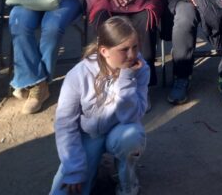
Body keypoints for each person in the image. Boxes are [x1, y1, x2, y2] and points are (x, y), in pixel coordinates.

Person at [50, 16, 149, 195]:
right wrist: (74, 169)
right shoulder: (79, 75)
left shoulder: (140, 68)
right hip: (89, 136)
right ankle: (96, 169)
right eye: (124, 49)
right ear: (104, 51)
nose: (132, 55)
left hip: (120, 129)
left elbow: (132, 116)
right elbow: (65, 125)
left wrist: (126, 78)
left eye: (135, 47)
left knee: (132, 137)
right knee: (64, 191)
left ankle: (128, 184)